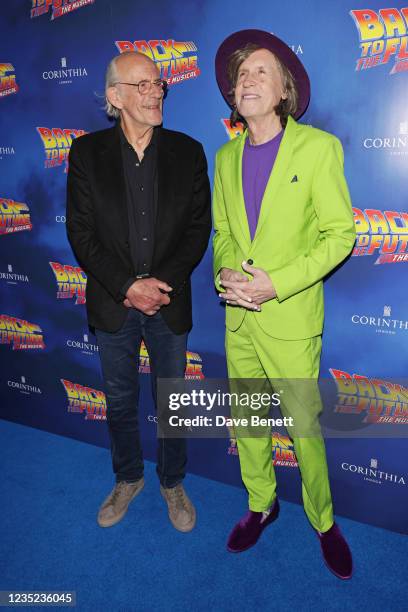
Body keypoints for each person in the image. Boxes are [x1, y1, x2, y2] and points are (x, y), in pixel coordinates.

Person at [212, 29, 356, 578]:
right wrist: (227, 268)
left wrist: (279, 283)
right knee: (247, 421)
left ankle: (323, 521)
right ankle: (260, 504)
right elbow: (224, 232)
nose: (246, 80)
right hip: (238, 320)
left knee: (305, 429)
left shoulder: (319, 149)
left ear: (283, 91)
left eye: (260, 72)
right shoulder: (224, 157)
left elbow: (340, 234)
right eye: (241, 74)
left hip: (290, 320)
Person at [66, 51, 211, 532]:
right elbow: (81, 233)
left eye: (158, 84)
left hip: (169, 301)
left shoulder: (189, 151)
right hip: (113, 302)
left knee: (172, 399)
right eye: (142, 85)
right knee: (120, 399)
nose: (155, 92)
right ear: (115, 96)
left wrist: (157, 286)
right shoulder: (86, 153)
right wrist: (128, 286)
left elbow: (197, 229)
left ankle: (173, 482)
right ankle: (128, 477)